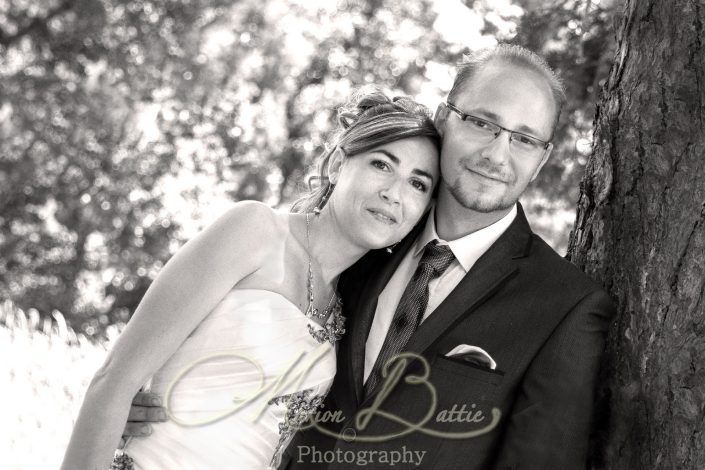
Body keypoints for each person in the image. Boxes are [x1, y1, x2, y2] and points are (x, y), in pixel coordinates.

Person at [124, 44, 616, 469]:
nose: (498, 153)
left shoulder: (564, 307)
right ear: (445, 119)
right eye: (483, 123)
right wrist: (138, 393)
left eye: (524, 138)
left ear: (542, 157)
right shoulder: (365, 243)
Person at [60, 88, 441, 470]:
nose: (395, 193)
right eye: (382, 165)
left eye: (418, 184)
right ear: (339, 165)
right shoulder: (254, 231)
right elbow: (113, 382)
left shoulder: (351, 309)